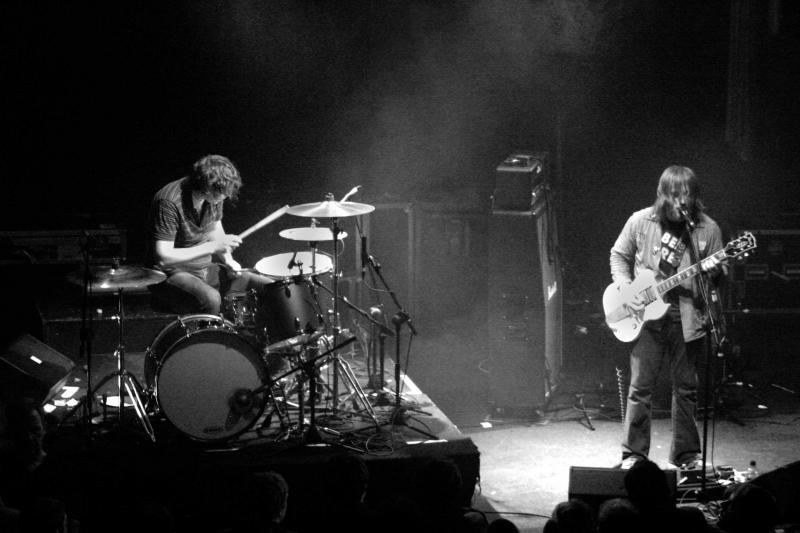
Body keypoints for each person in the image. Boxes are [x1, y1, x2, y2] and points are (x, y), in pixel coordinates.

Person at [609, 165, 725, 470]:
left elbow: (719, 276)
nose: (680, 202)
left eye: (686, 195)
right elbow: (619, 255)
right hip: (646, 318)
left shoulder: (707, 229)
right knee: (640, 388)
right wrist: (623, 286)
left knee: (686, 388)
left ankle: (686, 456)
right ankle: (633, 454)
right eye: (675, 195)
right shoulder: (641, 220)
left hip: (686, 319)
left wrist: (716, 272)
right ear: (664, 195)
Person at [147, 154, 272, 316]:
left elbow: (215, 232)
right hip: (170, 274)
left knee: (266, 286)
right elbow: (163, 258)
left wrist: (228, 261)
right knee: (211, 299)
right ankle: (209, 340)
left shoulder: (213, 198)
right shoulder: (168, 201)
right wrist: (212, 247)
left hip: (204, 269)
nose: (225, 197)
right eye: (221, 193)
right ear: (206, 187)